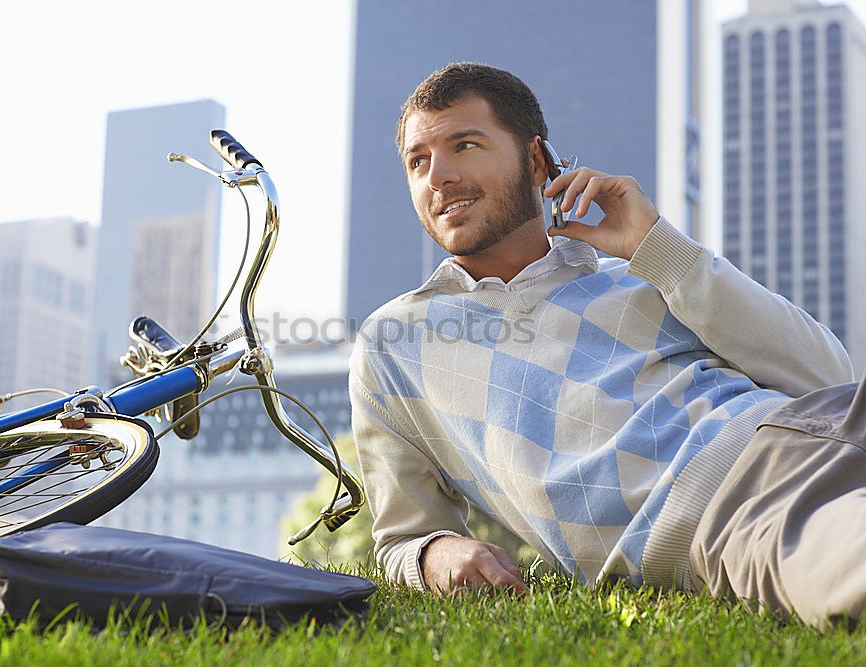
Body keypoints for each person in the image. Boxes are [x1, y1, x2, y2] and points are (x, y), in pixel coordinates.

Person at [348, 61, 863, 629]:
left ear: (537, 161)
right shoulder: (394, 341)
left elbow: (828, 376)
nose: (437, 176)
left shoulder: (645, 269)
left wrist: (657, 246)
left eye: (465, 145)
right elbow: (402, 537)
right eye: (417, 161)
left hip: (816, 429)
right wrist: (434, 555)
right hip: (734, 511)